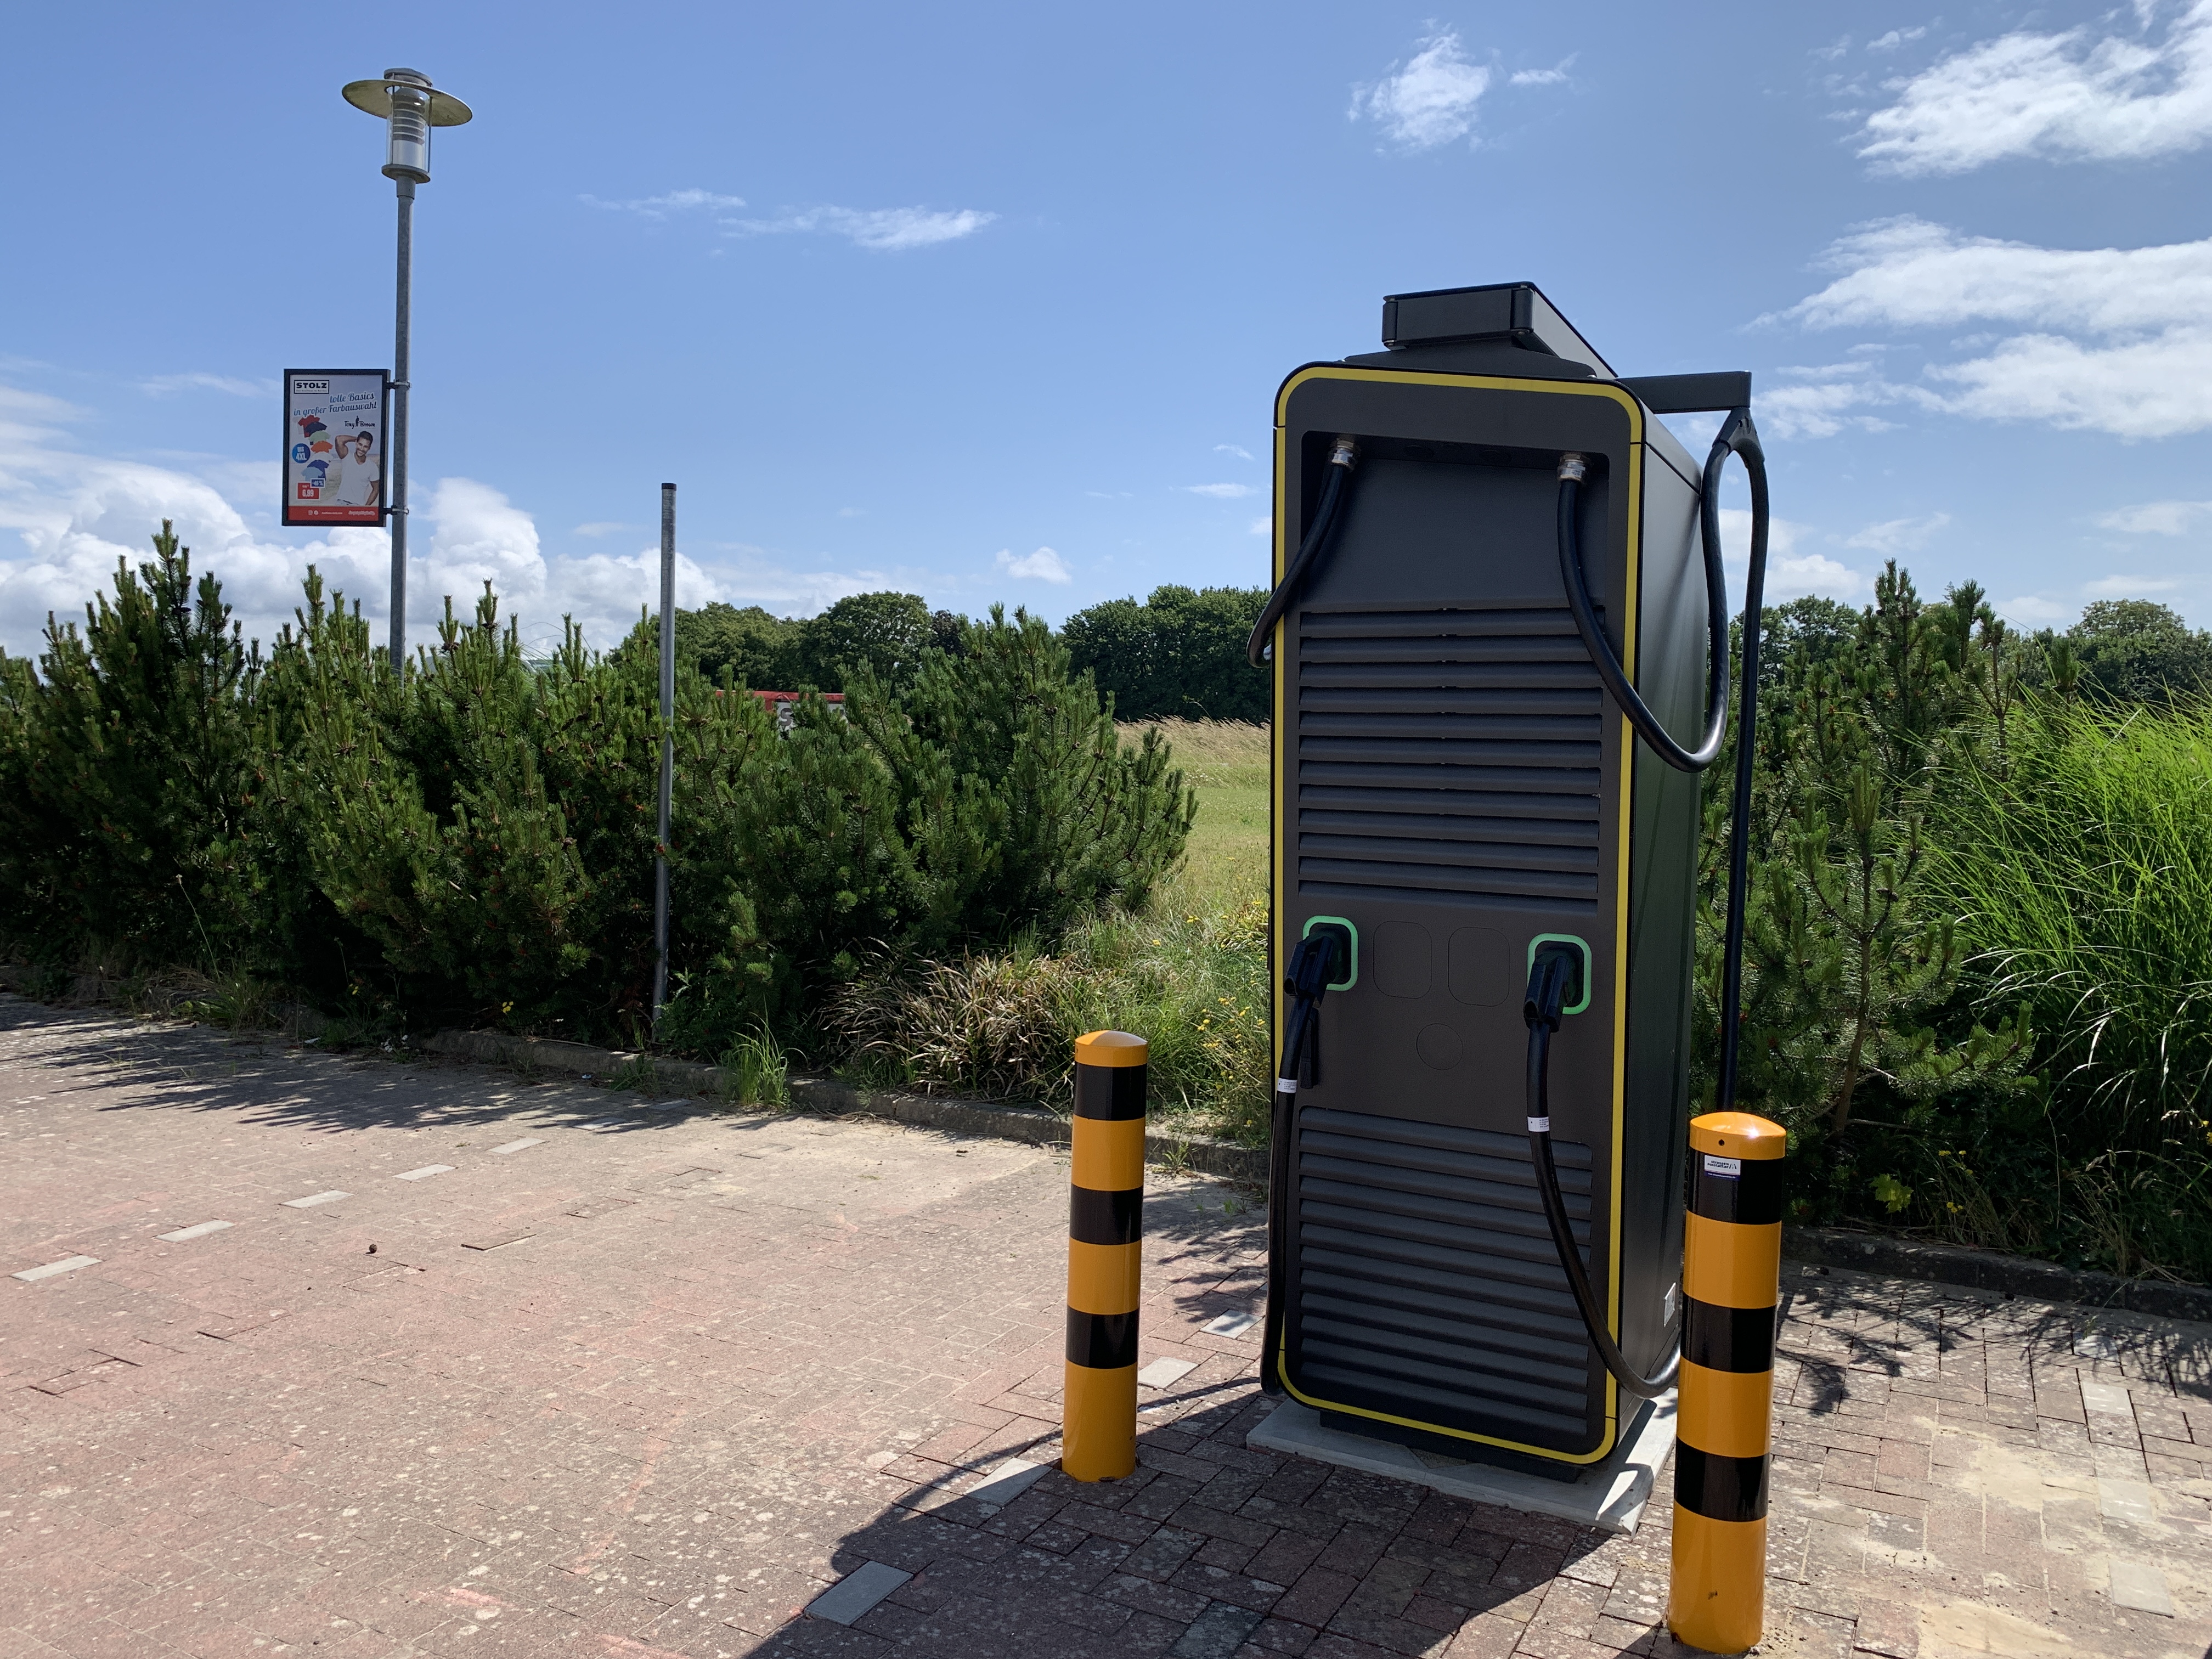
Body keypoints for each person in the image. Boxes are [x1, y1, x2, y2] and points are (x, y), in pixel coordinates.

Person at [329, 431, 381, 510]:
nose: (362, 449)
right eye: (360, 444)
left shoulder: (372, 467)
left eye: (365, 446)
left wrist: (366, 508)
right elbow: (339, 439)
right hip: (341, 504)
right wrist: (356, 439)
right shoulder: (347, 457)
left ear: (369, 448)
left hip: (358, 507)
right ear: (356, 443)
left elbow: (376, 489)